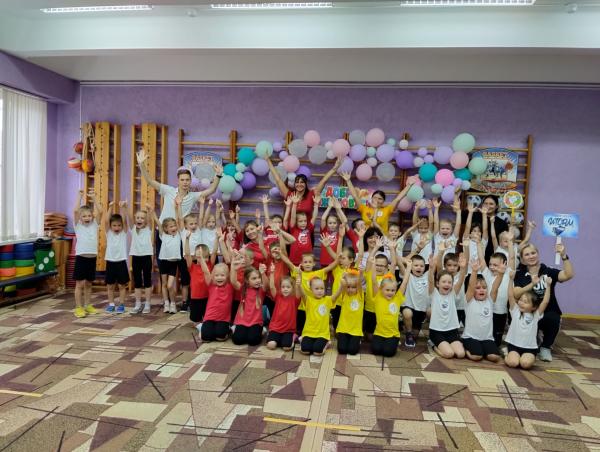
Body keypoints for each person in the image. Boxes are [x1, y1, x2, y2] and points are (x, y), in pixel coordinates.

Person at [513, 242, 574, 362]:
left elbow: (568, 275)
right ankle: (533, 339)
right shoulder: (519, 274)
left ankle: (546, 347)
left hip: (548, 310)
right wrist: (532, 284)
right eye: (527, 254)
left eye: (533, 253)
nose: (531, 256)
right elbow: (516, 294)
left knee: (553, 318)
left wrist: (564, 256)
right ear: (523, 259)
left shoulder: (548, 271)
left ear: (538, 254)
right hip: (529, 312)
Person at [267, 155, 343, 216]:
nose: (299, 184)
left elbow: (324, 181)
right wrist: (268, 160)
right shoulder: (289, 195)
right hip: (291, 229)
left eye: (302, 182)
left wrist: (334, 168)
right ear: (294, 184)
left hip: (307, 230)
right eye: (297, 182)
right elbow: (278, 179)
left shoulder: (311, 194)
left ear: (306, 184)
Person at [505, 271, 553, 369]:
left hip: (530, 348)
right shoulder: (515, 311)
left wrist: (548, 286)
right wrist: (511, 279)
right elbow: (510, 295)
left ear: (533, 307)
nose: (521, 303)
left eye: (525, 302)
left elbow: (545, 301)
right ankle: (506, 355)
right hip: (514, 346)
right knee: (513, 363)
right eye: (521, 300)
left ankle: (527, 358)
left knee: (525, 364)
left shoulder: (536, 315)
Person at [341, 172, 412, 234]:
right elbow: (355, 196)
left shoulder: (387, 209)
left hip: (382, 239)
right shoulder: (364, 208)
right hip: (368, 239)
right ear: (371, 199)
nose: (377, 200)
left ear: (383, 201)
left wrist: (409, 186)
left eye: (380, 199)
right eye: (375, 198)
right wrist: (348, 180)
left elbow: (398, 199)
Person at [462, 259, 502, 363]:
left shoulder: (490, 301)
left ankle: (482, 349)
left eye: (484, 288)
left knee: (494, 357)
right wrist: (474, 271)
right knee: (477, 356)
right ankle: (465, 348)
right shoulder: (469, 301)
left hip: (487, 338)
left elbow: (495, 288)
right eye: (478, 288)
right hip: (470, 337)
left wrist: (501, 274)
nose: (481, 290)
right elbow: (471, 286)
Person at [427, 253, 467, 359]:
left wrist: (463, 268)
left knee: (461, 354)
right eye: (444, 282)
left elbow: (461, 280)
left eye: (449, 282)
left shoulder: (452, 293)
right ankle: (433, 344)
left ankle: (447, 345)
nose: (447, 284)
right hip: (437, 331)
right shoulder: (434, 293)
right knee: (449, 354)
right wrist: (431, 268)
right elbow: (430, 280)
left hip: (451, 331)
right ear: (438, 284)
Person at [198, 250, 243, 342]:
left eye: (222, 275)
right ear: (213, 276)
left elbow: (233, 274)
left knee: (220, 337)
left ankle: (228, 328)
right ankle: (202, 327)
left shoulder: (230, 286)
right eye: (217, 275)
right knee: (206, 338)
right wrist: (201, 259)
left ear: (227, 276)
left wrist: (234, 259)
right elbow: (206, 272)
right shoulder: (211, 285)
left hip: (223, 319)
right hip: (210, 317)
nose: (219, 277)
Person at [72, 189, 101, 318]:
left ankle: (88, 305)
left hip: (92, 257)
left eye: (89, 215)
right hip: (81, 258)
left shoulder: (95, 224)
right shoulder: (77, 225)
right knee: (80, 284)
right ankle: (78, 307)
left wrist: (94, 197)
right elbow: (75, 211)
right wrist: (79, 196)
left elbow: (100, 211)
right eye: (84, 216)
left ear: (92, 217)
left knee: (89, 283)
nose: (87, 218)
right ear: (80, 218)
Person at [370, 256, 405, 357]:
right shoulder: (378, 296)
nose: (390, 292)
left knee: (388, 353)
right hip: (379, 333)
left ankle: (395, 341)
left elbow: (404, 283)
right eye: (387, 290)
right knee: (376, 350)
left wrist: (409, 268)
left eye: (393, 290)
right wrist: (373, 264)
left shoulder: (397, 298)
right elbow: (374, 281)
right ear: (381, 289)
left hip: (393, 334)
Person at [230, 260, 269, 346]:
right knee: (237, 340)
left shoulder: (261, 289)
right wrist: (234, 268)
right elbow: (233, 282)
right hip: (242, 321)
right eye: (254, 279)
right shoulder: (243, 288)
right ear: (247, 280)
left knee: (253, 341)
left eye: (258, 278)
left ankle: (262, 330)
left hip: (255, 321)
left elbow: (266, 285)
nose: (257, 280)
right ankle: (236, 328)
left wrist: (263, 274)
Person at [103, 201, 130, 314]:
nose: (117, 227)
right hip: (110, 262)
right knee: (110, 286)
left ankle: (121, 304)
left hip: (121, 262)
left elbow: (124, 220)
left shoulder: (124, 233)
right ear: (110, 226)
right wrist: (109, 207)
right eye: (114, 225)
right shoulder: (108, 232)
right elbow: (106, 221)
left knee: (122, 285)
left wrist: (122, 208)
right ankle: (111, 304)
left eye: (119, 225)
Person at [266, 264, 301, 350]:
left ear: (292, 288)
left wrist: (298, 275)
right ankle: (277, 338)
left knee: (286, 347)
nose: (285, 289)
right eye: (283, 287)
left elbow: (298, 288)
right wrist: (272, 273)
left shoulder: (295, 299)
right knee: (271, 345)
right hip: (275, 328)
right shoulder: (278, 297)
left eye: (288, 287)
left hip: (289, 329)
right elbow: (272, 287)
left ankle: (294, 336)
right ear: (280, 288)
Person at [128, 203, 155, 314]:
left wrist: (149, 211)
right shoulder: (133, 229)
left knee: (147, 281)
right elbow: (129, 219)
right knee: (137, 282)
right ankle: (138, 303)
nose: (140, 220)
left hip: (146, 257)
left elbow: (150, 220)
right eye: (138, 218)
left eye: (142, 218)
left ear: (146, 220)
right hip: (136, 258)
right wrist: (125, 208)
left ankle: (147, 304)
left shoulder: (149, 229)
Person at [299, 276, 335, 355]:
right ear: (311, 290)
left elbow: (336, 296)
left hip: (322, 334)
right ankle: (303, 339)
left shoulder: (327, 300)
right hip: (309, 332)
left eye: (322, 288)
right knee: (305, 350)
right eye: (317, 288)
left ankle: (327, 342)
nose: (320, 291)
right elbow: (303, 294)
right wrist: (299, 285)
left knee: (317, 351)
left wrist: (342, 286)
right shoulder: (308, 300)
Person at [464, 195, 508, 261]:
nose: (488, 206)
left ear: (497, 206)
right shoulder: (474, 215)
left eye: (491, 204)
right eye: (486, 203)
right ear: (482, 205)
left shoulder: (502, 223)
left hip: (492, 256)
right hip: (471, 255)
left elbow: (502, 241)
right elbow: (466, 227)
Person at [333, 270, 364, 355]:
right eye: (348, 287)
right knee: (342, 350)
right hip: (344, 328)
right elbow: (342, 283)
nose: (350, 289)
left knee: (352, 351)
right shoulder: (344, 295)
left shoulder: (360, 296)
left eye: (353, 287)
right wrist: (344, 276)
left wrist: (360, 273)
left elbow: (359, 282)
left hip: (355, 330)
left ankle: (358, 340)